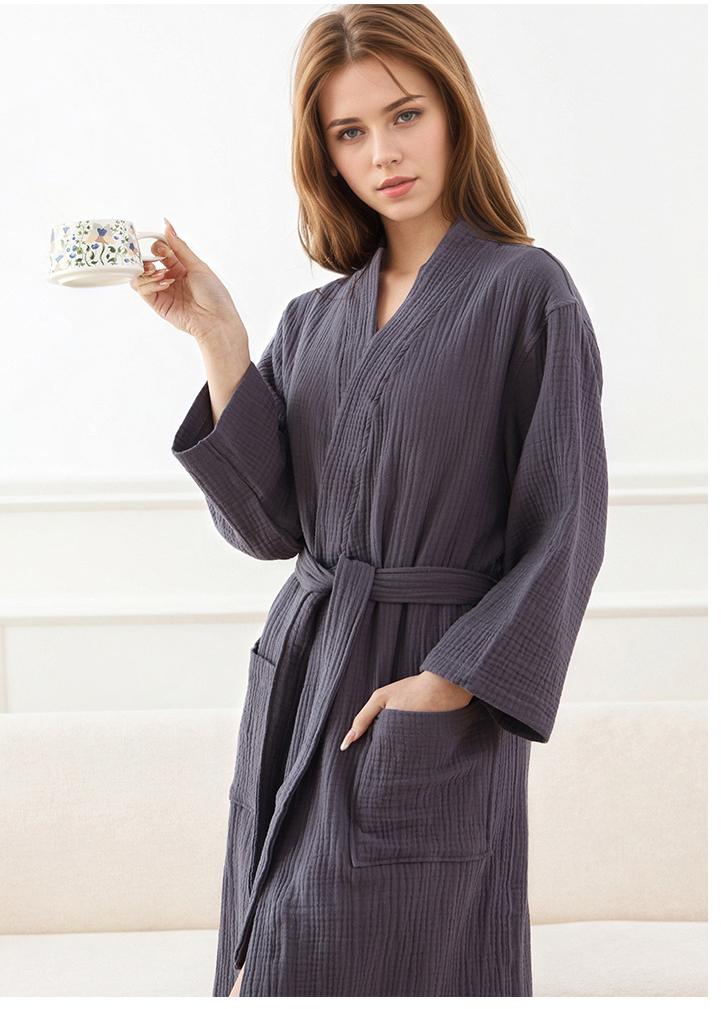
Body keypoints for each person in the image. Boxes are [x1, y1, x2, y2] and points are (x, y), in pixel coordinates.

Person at [131, 3, 608, 997]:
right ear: (326, 157)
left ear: (454, 112)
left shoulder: (527, 293)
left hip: (429, 678)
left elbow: (566, 521)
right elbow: (268, 527)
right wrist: (220, 338)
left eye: (405, 115)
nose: (382, 153)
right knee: (277, 953)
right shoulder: (316, 319)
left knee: (406, 953)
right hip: (307, 665)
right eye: (349, 132)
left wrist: (452, 680)